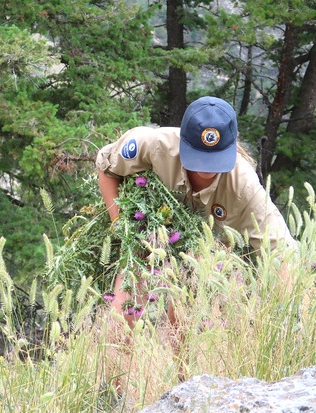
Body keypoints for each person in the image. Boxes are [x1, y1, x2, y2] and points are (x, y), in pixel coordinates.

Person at [95, 96, 295, 329]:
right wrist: (120, 224)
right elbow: (106, 167)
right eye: (199, 157)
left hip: (203, 254)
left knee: (181, 328)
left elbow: (282, 253)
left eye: (214, 160)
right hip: (148, 236)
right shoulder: (154, 145)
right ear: (182, 142)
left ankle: (177, 362)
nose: (206, 168)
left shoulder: (245, 186)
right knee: (122, 317)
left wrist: (290, 314)